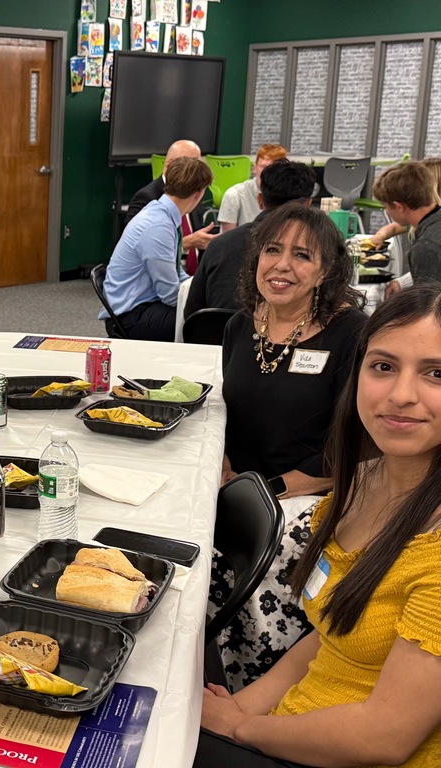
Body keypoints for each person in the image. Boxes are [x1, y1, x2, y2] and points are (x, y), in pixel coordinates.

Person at [197, 286, 441, 768]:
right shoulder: (360, 485)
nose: (401, 395)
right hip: (295, 726)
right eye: (383, 366)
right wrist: (241, 709)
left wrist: (240, 728)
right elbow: (329, 633)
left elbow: (384, 739)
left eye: (436, 373)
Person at [212, 202, 367, 689]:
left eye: (302, 255)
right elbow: (228, 413)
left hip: (313, 492)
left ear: (326, 271)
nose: (282, 266)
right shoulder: (241, 326)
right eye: (272, 250)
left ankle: (259, 686)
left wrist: (268, 490)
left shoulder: (351, 335)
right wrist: (224, 466)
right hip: (240, 483)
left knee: (265, 546)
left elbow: (355, 443)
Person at [185, 159, 316, 319]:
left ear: (260, 200)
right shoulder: (316, 250)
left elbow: (191, 312)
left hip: (212, 333)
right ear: (308, 204)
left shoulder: (220, 244)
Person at [100, 157, 213, 342]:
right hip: (132, 316)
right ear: (199, 194)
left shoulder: (161, 213)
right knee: (205, 323)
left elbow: (176, 273)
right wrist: (205, 299)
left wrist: (200, 290)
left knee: (205, 313)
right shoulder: (158, 226)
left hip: (141, 305)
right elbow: (170, 295)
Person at [126, 139, 217, 274]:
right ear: (169, 165)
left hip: (194, 273)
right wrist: (187, 242)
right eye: (189, 165)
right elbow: (137, 250)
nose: (196, 172)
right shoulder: (147, 198)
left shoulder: (194, 191)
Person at [370, 159, 441, 300]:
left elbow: (429, 305)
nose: (387, 212)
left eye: (386, 207)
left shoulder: (427, 247)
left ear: (399, 207)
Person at [217, 144, 289, 233]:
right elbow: (227, 238)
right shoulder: (234, 195)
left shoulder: (290, 195)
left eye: (274, 168)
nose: (268, 172)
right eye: (264, 167)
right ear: (255, 168)